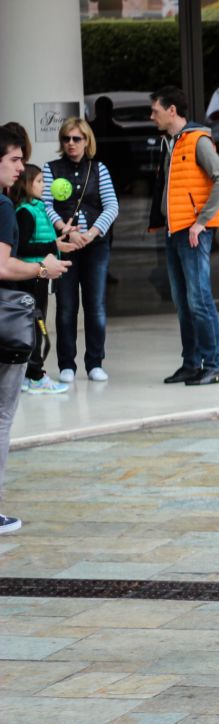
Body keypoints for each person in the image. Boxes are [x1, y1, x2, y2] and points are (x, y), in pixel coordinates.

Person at [0, 124, 71, 532]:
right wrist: (43, 267)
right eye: (13, 159)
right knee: (3, 413)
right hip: (5, 318)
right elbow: (4, 264)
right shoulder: (5, 208)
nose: (19, 168)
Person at [148, 86, 219, 386]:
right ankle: (191, 364)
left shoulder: (198, 141)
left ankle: (214, 365)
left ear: (172, 110)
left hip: (192, 233)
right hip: (174, 231)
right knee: (183, 302)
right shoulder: (168, 143)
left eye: (155, 111)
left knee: (199, 300)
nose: (151, 116)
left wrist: (201, 222)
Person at [42, 117, 118, 384]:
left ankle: (95, 362)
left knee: (95, 305)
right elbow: (46, 204)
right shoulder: (50, 169)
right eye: (66, 139)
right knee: (66, 306)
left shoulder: (99, 169)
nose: (71, 144)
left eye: (77, 138)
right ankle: (66, 364)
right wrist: (67, 229)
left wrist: (91, 233)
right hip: (65, 245)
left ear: (87, 141)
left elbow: (111, 206)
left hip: (95, 246)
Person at [14, 165, 73, 394]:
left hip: (41, 276)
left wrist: (58, 240)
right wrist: (53, 245)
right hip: (32, 276)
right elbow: (24, 246)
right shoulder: (25, 212)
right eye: (39, 182)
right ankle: (35, 375)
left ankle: (32, 373)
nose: (43, 186)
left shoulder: (38, 209)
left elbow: (42, 238)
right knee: (35, 326)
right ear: (26, 184)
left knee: (37, 325)